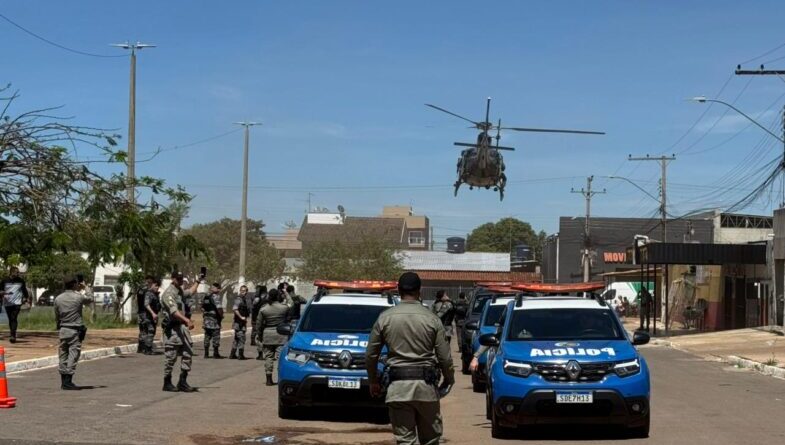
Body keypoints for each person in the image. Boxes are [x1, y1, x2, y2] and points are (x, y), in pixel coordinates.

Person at [366, 272, 455, 445]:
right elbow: (444, 357)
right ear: (420, 290)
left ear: (398, 290)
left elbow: (371, 354)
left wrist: (373, 381)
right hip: (426, 389)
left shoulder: (385, 318)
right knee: (431, 440)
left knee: (405, 441)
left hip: (398, 389)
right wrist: (448, 379)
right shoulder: (432, 318)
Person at [160, 271, 201, 392]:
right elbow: (174, 312)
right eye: (178, 279)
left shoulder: (179, 292)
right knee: (171, 357)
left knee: (188, 353)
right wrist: (187, 320)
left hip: (182, 328)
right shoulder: (168, 294)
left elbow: (190, 292)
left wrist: (198, 281)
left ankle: (183, 381)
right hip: (173, 329)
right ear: (172, 279)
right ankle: (167, 382)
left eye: (181, 278)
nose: (180, 280)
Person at [53, 275, 93, 390]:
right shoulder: (78, 297)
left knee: (63, 355)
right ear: (75, 284)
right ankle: (68, 381)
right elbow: (90, 298)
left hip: (63, 329)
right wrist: (86, 287)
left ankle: (63, 381)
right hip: (74, 330)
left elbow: (57, 316)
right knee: (73, 354)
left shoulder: (58, 298)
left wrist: (59, 326)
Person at [256, 289, 290, 386]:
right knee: (280, 358)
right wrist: (286, 293)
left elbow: (259, 324)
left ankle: (268, 379)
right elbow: (291, 305)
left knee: (268, 357)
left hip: (268, 334)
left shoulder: (264, 309)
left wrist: (259, 334)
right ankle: (281, 378)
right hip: (281, 334)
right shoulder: (284, 308)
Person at [2, 266, 30, 344]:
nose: (18, 273)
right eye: (16, 272)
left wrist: (26, 298)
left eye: (18, 272)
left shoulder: (21, 281)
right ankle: (12, 333)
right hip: (7, 302)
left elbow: (24, 291)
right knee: (11, 319)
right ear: (11, 272)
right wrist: (2, 293)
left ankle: (13, 336)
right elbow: (0, 290)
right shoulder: (4, 280)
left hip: (17, 302)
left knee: (14, 317)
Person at [139, 278, 162, 355]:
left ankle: (144, 348)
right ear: (151, 285)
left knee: (147, 332)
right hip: (148, 316)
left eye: (158, 286)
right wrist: (153, 313)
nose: (157, 287)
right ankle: (147, 349)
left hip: (151, 316)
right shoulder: (149, 294)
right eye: (156, 286)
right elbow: (146, 304)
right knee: (151, 331)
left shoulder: (155, 294)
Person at [202, 282, 224, 359]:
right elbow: (219, 308)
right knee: (216, 336)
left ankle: (206, 353)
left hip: (206, 320)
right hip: (214, 320)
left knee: (207, 336)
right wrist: (221, 316)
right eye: (218, 288)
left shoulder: (206, 296)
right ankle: (215, 353)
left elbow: (203, 307)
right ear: (217, 289)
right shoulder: (216, 297)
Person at [230, 285, 250, 360]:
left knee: (237, 339)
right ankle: (240, 355)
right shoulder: (239, 299)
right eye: (242, 291)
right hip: (239, 323)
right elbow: (235, 309)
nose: (243, 292)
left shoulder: (243, 299)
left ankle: (232, 354)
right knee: (242, 338)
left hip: (241, 323)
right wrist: (241, 317)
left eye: (244, 291)